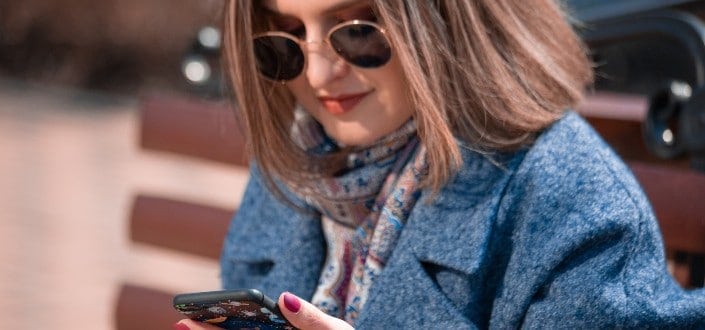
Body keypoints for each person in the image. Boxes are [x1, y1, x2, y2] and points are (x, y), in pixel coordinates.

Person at [175, 0, 705, 329]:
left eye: (356, 30)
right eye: (285, 39)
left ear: (447, 17)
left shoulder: (571, 202)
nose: (316, 75)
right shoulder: (294, 161)